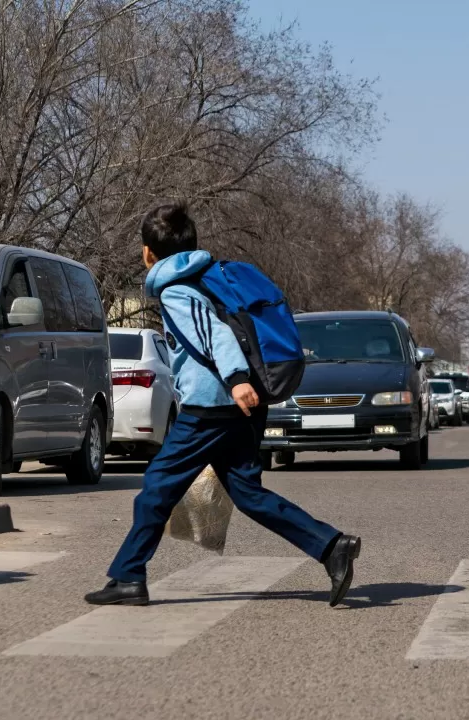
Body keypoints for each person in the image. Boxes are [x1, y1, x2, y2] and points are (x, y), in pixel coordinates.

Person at [85, 205, 360, 607]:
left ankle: (129, 577)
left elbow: (216, 336)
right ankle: (331, 545)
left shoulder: (177, 290)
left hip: (209, 409)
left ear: (148, 254)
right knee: (249, 495)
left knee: (155, 490)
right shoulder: (208, 279)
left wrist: (236, 381)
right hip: (236, 408)